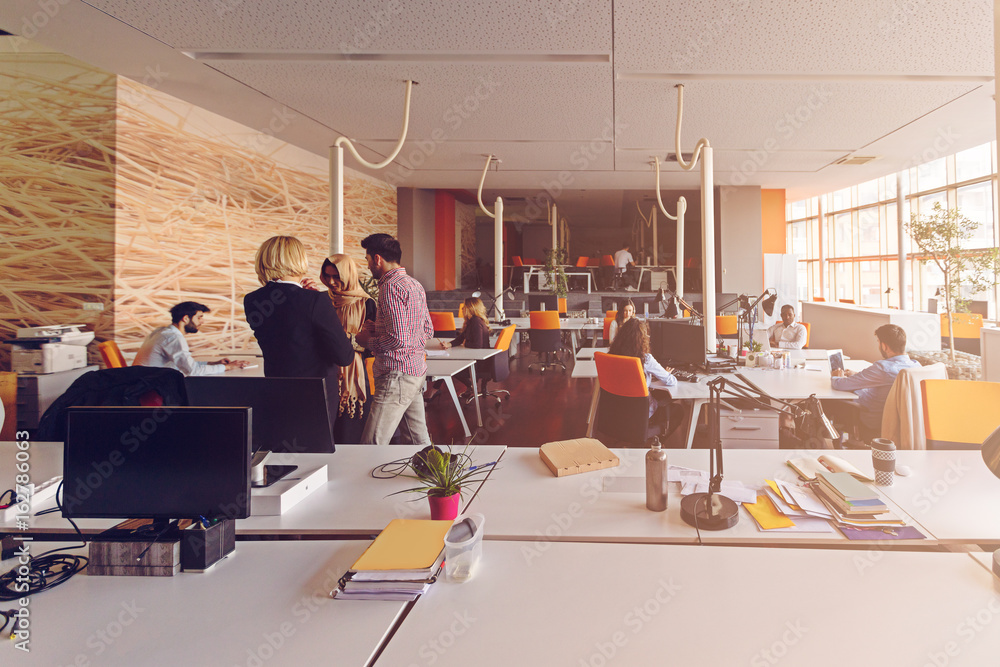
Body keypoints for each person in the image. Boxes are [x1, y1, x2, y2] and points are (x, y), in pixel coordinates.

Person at [244, 236, 354, 441]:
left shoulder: (251, 300)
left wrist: (309, 299)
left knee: (281, 448)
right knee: (315, 451)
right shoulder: (316, 301)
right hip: (316, 396)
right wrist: (319, 304)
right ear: (298, 260)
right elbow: (344, 356)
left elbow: (289, 332)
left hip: (276, 391)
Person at [355, 233, 434, 446]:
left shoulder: (390, 287)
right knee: (418, 442)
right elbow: (427, 330)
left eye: (367, 259)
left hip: (396, 374)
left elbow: (398, 339)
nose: (368, 265)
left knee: (372, 444)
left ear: (377, 259)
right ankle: (435, 470)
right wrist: (380, 328)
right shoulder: (414, 284)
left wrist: (366, 341)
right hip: (414, 371)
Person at [320, 254, 377, 444]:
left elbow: (371, 344)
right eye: (327, 276)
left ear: (348, 275)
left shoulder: (366, 303)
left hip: (356, 375)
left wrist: (343, 341)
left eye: (337, 276)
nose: (331, 282)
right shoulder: (321, 301)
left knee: (350, 429)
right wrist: (351, 338)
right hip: (326, 371)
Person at [827, 324, 920, 436]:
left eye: (878, 342)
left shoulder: (883, 368)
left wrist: (836, 376)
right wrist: (856, 375)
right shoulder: (916, 366)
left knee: (827, 403)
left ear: (884, 346)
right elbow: (885, 380)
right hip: (898, 423)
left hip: (871, 419)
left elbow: (839, 385)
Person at [133, 301, 248, 375]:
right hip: (150, 388)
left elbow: (184, 365)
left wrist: (212, 364)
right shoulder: (173, 338)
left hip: (142, 383)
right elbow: (192, 371)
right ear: (186, 319)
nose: (202, 321)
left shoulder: (161, 332)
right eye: (199, 317)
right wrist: (227, 367)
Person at [608, 318, 676, 421]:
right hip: (642, 414)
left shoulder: (612, 356)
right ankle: (654, 430)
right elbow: (671, 381)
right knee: (678, 411)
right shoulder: (645, 359)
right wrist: (664, 373)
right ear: (642, 339)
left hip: (618, 411)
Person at [439, 296, 491, 397]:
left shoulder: (476, 322)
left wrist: (465, 343)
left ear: (470, 308)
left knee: (449, 368)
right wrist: (449, 344)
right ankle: (471, 386)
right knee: (449, 366)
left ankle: (470, 385)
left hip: (480, 362)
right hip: (476, 358)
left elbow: (478, 345)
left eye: (464, 307)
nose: (462, 309)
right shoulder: (471, 321)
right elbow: (460, 338)